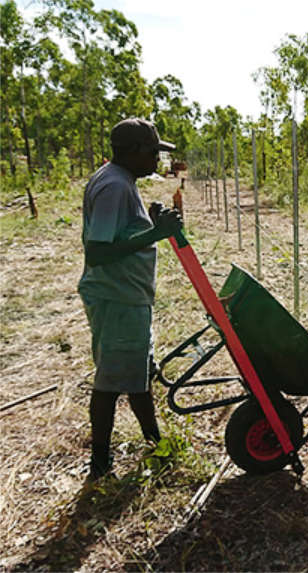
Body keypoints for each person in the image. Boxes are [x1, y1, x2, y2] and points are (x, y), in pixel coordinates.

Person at [78, 118, 183, 481]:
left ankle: (155, 443)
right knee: (110, 381)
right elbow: (98, 251)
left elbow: (120, 232)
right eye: (153, 152)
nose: (157, 159)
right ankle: (101, 464)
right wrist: (158, 232)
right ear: (134, 151)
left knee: (137, 372)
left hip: (126, 296)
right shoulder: (114, 186)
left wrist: (149, 222)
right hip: (117, 296)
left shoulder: (118, 180)